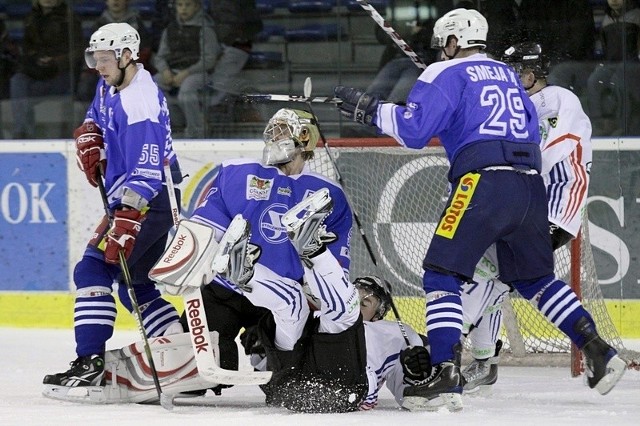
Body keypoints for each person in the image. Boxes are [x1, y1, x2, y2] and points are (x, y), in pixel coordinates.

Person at [333, 8, 626, 412]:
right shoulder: (510, 78)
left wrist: (371, 110)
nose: (440, 53)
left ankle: (444, 373)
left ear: (453, 42)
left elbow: (415, 133)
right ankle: (598, 350)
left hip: (481, 184)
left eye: (442, 46)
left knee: (441, 271)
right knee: (535, 279)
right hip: (528, 188)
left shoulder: (443, 73)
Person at [42, 23, 183, 394]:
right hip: (139, 201)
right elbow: (96, 117)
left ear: (126, 56)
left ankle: (90, 360)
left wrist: (127, 219)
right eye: (95, 59)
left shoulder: (140, 102)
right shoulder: (111, 83)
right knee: (134, 283)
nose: (98, 67)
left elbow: (148, 171)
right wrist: (89, 135)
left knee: (92, 268)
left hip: (149, 201)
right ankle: (181, 355)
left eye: (105, 59)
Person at [459, 41, 594, 393]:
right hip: (524, 204)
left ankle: (449, 341)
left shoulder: (558, 99)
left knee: (495, 275)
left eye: (513, 72)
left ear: (531, 74)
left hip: (555, 207)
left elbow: (552, 150)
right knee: (487, 270)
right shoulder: (517, 107)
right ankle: (483, 360)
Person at [9, 0, 84, 139]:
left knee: (24, 93)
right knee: (17, 81)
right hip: (37, 72)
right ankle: (23, 131)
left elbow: (77, 51)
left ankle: (27, 131)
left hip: (60, 75)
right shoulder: (30, 18)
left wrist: (56, 61)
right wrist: (36, 59)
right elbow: (26, 48)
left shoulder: (70, 18)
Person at [153, 0, 220, 137]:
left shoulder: (205, 29)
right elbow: (160, 57)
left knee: (187, 90)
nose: (183, 9)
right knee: (151, 85)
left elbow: (209, 60)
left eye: (188, 5)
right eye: (180, 5)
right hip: (173, 71)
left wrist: (186, 73)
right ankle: (172, 122)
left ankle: (196, 132)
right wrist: (165, 71)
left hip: (198, 72)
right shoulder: (170, 29)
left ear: (196, 6)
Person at [77, 0, 155, 102]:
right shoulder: (99, 24)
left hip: (130, 68)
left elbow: (145, 50)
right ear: (106, 2)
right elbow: (92, 52)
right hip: (102, 70)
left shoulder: (137, 23)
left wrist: (127, 66)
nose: (115, 1)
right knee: (85, 88)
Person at [587, 0, 640, 135]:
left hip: (632, 64)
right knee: (594, 80)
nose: (614, 1)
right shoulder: (606, 19)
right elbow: (604, 46)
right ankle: (600, 123)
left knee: (619, 79)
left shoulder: (636, 16)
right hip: (611, 64)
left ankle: (623, 126)